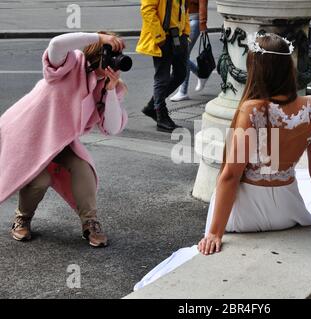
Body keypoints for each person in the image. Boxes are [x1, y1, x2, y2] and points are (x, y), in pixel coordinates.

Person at [197, 33, 311, 255]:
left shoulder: (252, 109)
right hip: (289, 211)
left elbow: (231, 175)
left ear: (255, 69)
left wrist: (215, 233)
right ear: (289, 67)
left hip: (247, 215)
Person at [0, 32, 128, 247]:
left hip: (57, 141)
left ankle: (90, 223)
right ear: (97, 54)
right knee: (39, 180)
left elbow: (113, 127)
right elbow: (56, 44)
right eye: (111, 56)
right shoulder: (70, 64)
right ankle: (23, 218)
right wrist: (98, 37)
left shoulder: (106, 86)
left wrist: (111, 90)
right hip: (23, 134)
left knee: (83, 168)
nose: (116, 64)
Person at [137, 0, 190, 132]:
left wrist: (185, 32)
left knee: (181, 73)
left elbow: (184, 8)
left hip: (179, 35)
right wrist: (159, 36)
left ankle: (152, 106)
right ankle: (161, 115)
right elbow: (147, 10)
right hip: (163, 36)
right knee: (162, 78)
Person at [171, 0, 210, 102]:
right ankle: (201, 74)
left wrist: (202, 23)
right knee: (182, 55)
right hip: (182, 21)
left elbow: (203, 4)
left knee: (183, 55)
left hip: (194, 21)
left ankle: (183, 91)